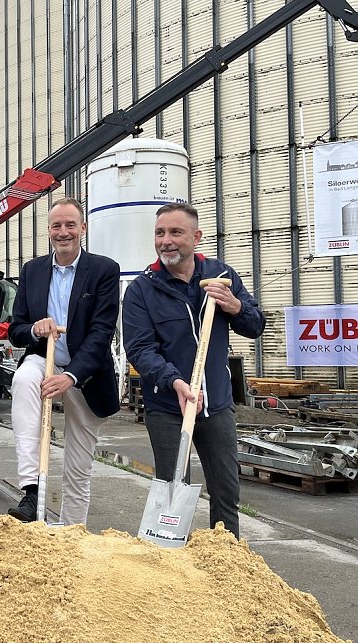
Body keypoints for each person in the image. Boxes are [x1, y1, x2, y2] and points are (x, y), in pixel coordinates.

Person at [122, 202, 266, 539]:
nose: (166, 241)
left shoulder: (221, 277)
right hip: (169, 407)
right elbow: (140, 349)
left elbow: (255, 325)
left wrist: (236, 306)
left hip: (216, 404)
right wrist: (174, 381)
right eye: (160, 233)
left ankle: (226, 559)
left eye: (175, 232)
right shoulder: (142, 290)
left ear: (196, 237)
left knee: (226, 491)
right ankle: (174, 559)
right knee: (174, 488)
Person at [7, 197, 120, 525]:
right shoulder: (33, 271)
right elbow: (16, 331)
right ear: (48, 231)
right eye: (57, 225)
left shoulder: (103, 270)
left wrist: (70, 376)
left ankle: (72, 535)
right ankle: (31, 486)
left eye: (70, 224)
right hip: (46, 362)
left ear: (82, 228)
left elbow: (101, 333)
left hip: (85, 376)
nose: (63, 231)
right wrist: (34, 329)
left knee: (77, 470)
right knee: (25, 377)